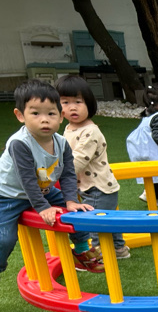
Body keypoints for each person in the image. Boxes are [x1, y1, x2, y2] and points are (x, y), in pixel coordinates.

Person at [0, 79, 99, 279]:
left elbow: (68, 173)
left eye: (51, 114)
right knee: (4, 239)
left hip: (44, 190)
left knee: (78, 211)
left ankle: (81, 250)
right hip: (8, 195)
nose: (44, 120)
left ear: (61, 116)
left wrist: (70, 200)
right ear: (20, 115)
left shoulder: (61, 143)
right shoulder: (20, 143)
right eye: (35, 113)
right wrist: (43, 207)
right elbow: (27, 180)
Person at [56, 75, 128, 260]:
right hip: (89, 185)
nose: (72, 107)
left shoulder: (90, 131)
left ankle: (98, 257)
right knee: (108, 221)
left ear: (89, 103)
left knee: (95, 223)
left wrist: (55, 174)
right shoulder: (69, 128)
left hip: (98, 187)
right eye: (65, 102)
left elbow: (78, 160)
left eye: (78, 102)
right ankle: (119, 249)